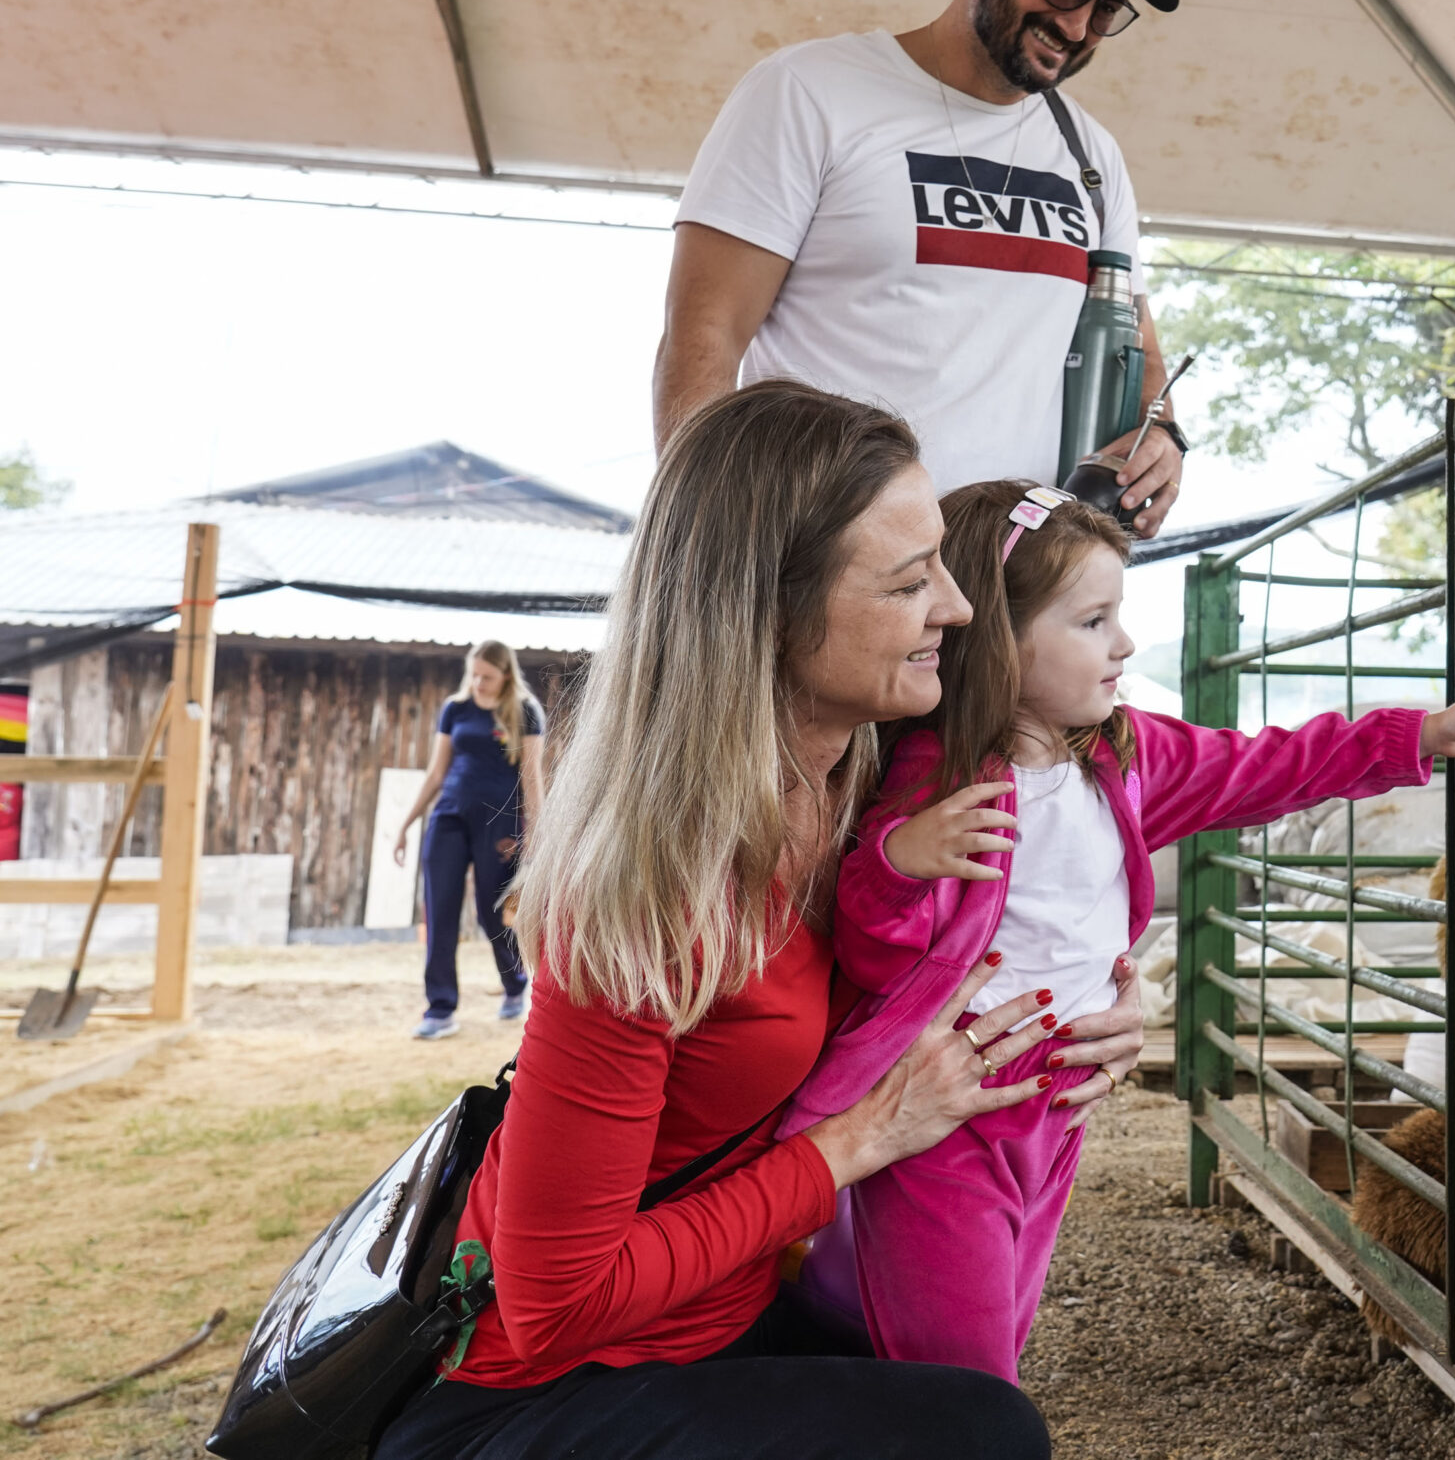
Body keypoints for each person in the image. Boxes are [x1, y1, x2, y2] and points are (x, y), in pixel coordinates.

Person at [376, 383, 1127, 1460]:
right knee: (983, 1434)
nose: (959, 610)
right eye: (910, 581)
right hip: (550, 1387)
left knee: (952, 1387)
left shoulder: (876, 798)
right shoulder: (644, 898)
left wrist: (1098, 1008)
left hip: (723, 1316)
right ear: (769, 615)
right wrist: (861, 1139)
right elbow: (555, 1302)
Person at [780, 479, 1455, 1380]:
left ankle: (856, 1353)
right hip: (955, 1108)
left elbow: (1266, 766)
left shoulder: (1123, 756)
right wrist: (899, 863)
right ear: (997, 637)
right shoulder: (937, 779)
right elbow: (875, 954)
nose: (1123, 643)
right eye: (1092, 621)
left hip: (1060, 1101)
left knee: (1004, 1316)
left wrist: (1418, 736)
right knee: (963, 1362)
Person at [656, 0, 1190, 536]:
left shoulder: (1093, 155)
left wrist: (1161, 433)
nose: (1078, 26)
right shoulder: (807, 91)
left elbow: (1138, 351)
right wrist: (711, 542)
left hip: (1013, 579)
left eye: (1108, 10)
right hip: (825, 565)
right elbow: (704, 337)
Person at [392, 639, 544, 1039]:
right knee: (439, 911)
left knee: (491, 913)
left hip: (500, 827)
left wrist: (538, 836)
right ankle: (440, 1009)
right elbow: (436, 773)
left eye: (487, 677)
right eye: (473, 675)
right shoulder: (455, 709)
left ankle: (515, 984)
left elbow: (532, 779)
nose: (478, 683)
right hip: (449, 819)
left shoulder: (525, 711)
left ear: (506, 675)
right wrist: (406, 824)